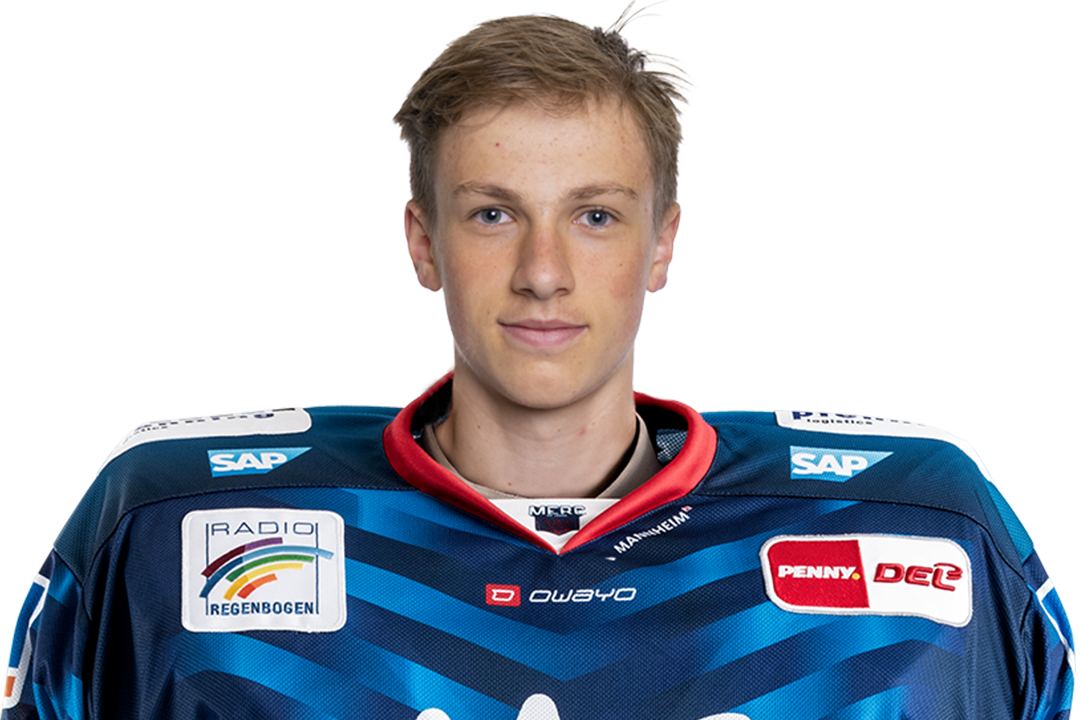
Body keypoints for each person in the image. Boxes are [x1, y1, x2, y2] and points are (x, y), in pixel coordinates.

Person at [2, 7, 1073, 720]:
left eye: (595, 215)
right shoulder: (169, 522)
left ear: (662, 244)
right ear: (424, 242)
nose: (544, 273)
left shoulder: (924, 523)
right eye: (493, 214)